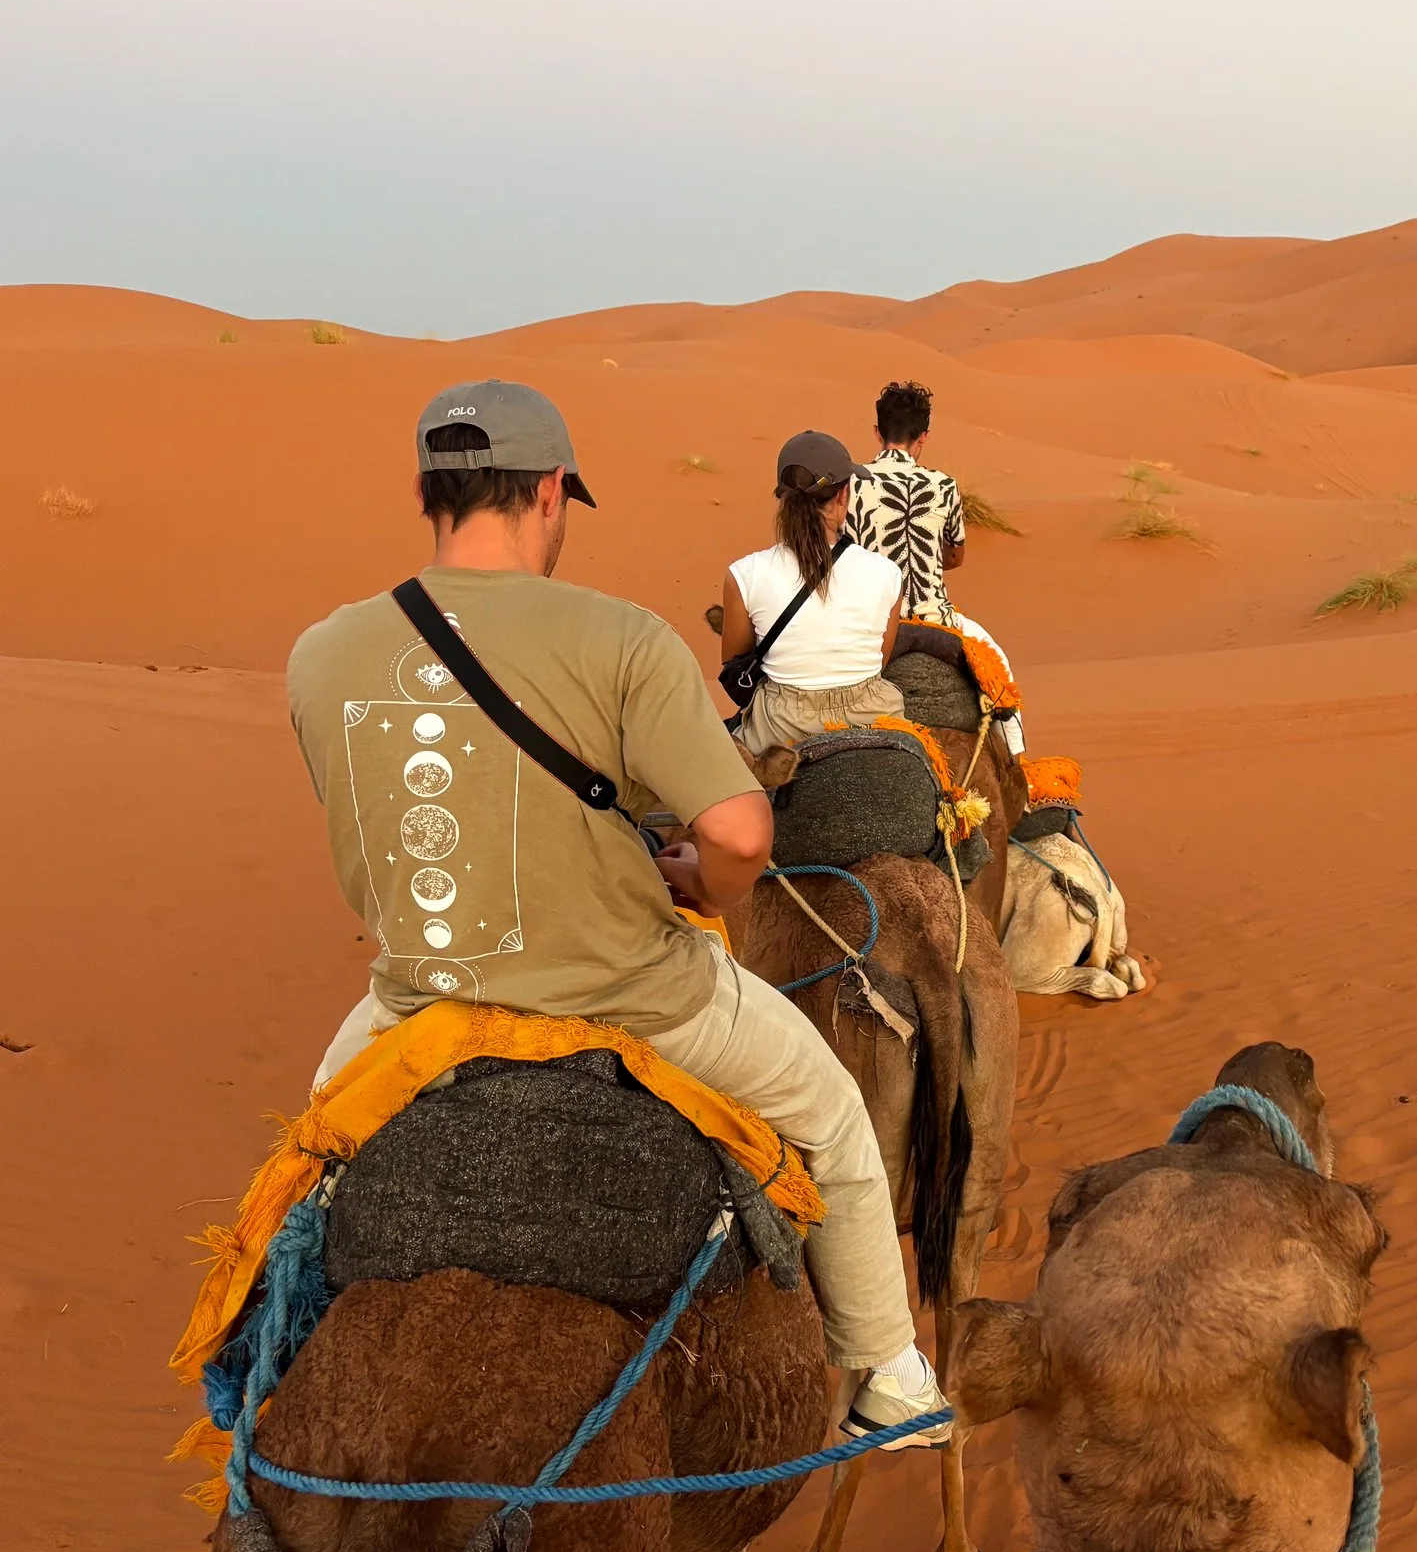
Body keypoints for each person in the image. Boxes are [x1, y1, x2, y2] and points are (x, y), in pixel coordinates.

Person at [285, 380, 944, 1448]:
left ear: (426, 493)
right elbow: (737, 834)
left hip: (420, 1004)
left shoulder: (320, 654)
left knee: (305, 1162)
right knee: (835, 1121)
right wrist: (701, 884)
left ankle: (272, 1359)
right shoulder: (623, 639)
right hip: (638, 999)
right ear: (550, 493)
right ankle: (890, 1378)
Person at [847, 380, 1027, 758]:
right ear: (923, 437)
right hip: (936, 618)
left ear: (877, 432)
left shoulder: (851, 484)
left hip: (872, 621)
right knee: (1001, 672)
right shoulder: (944, 486)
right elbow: (956, 555)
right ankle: (1017, 761)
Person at [720, 431, 906, 753]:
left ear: (782, 500)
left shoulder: (744, 575)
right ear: (843, 496)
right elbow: (880, 659)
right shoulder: (887, 573)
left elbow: (734, 662)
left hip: (780, 725)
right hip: (872, 716)